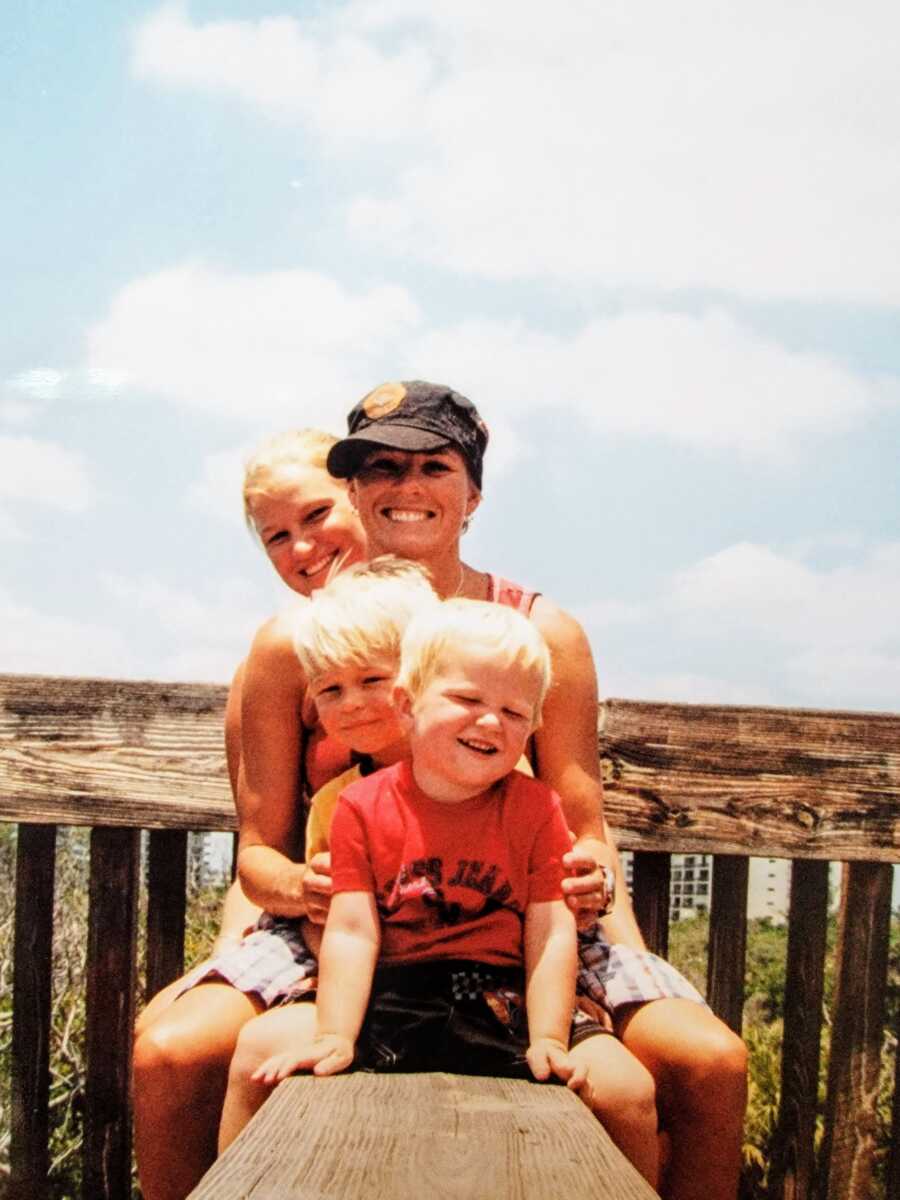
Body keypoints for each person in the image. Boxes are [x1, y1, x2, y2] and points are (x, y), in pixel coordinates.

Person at [239, 380, 745, 1200]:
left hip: (524, 912)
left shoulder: (534, 633)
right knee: (180, 1050)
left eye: (433, 466)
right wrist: (306, 887)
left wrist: (596, 894)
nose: (406, 486)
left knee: (708, 1061)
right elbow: (261, 846)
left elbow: (582, 824)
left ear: (472, 493)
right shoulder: (310, 639)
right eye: (379, 468)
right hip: (352, 915)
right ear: (354, 492)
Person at [219, 596, 659, 1187]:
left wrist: (550, 1038)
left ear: (534, 728)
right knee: (257, 1053)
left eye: (514, 711)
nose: (489, 722)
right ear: (407, 703)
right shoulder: (359, 808)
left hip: (509, 1001)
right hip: (389, 996)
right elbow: (350, 933)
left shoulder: (537, 811)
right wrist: (333, 1035)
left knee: (629, 1093)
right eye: (468, 700)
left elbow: (551, 931)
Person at [133, 429, 367, 1200]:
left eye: (317, 513)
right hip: (311, 916)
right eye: (277, 536)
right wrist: (228, 954)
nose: (303, 546)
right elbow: (260, 847)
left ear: (362, 496)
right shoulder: (278, 655)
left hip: (457, 919)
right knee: (167, 1049)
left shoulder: (455, 625)